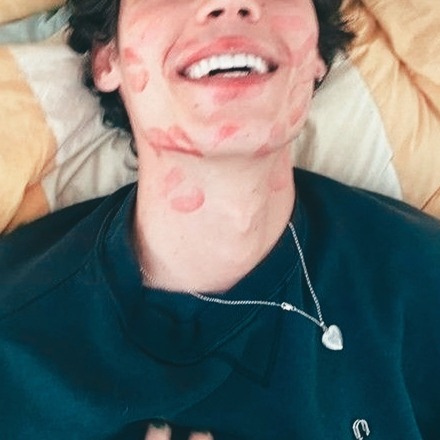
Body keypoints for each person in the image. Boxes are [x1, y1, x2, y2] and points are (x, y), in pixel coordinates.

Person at [0, 0, 439, 439]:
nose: (229, 2)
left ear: (316, 56)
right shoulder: (13, 339)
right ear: (107, 58)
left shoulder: (424, 281)